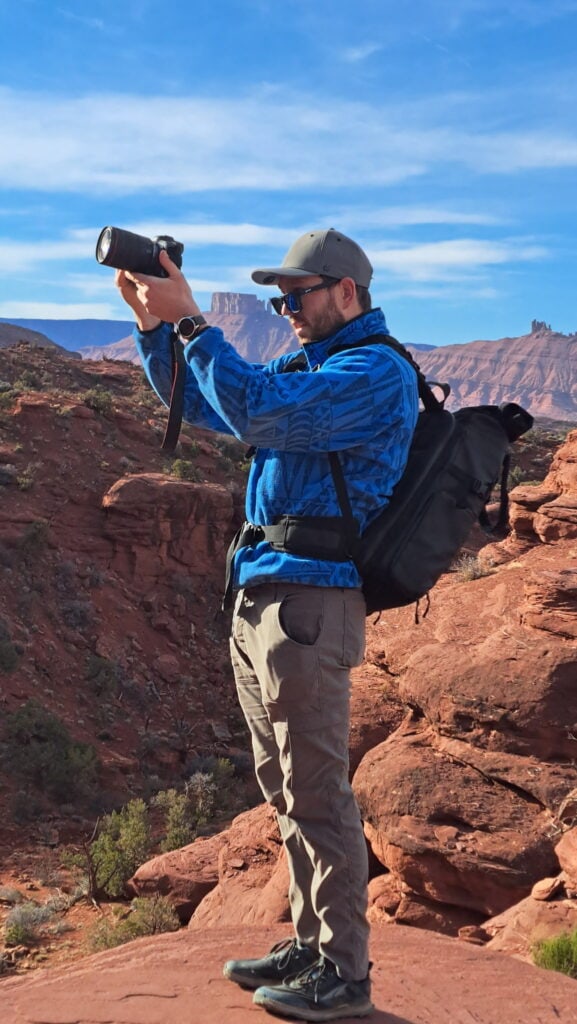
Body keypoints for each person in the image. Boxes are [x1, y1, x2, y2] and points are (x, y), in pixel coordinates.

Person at [115, 228, 419, 1022]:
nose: (286, 312)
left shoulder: (372, 372)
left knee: (316, 791)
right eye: (279, 301)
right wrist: (155, 329)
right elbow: (209, 405)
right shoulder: (311, 364)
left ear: (346, 292)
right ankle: (311, 944)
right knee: (285, 788)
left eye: (296, 297)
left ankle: (343, 975)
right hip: (264, 595)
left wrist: (192, 321)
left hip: (311, 602)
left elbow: (256, 409)